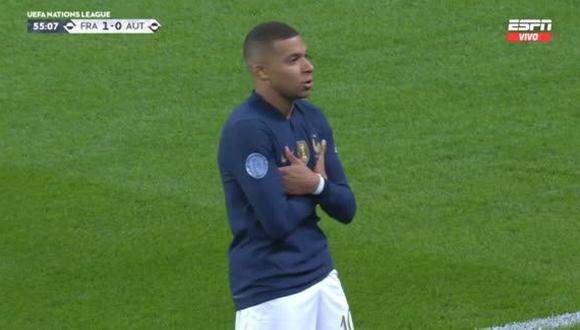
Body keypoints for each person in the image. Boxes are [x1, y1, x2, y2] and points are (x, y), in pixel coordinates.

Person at [217, 21, 357, 330]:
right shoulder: (248, 129)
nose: (308, 67)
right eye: (293, 60)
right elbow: (276, 223)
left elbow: (347, 208)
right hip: (273, 293)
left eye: (306, 56)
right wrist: (317, 190)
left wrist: (314, 185)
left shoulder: (313, 118)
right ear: (262, 71)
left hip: (322, 275)